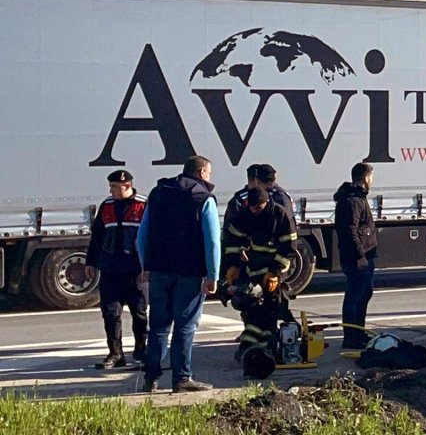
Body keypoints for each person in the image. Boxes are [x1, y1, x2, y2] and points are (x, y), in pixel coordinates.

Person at [136, 156, 220, 393]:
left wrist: (144, 265)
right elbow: (212, 240)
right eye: (209, 173)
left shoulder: (158, 193)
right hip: (190, 272)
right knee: (185, 326)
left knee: (158, 326)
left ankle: (151, 378)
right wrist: (213, 275)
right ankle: (182, 378)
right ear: (202, 172)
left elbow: (142, 233)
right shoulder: (203, 198)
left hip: (159, 270)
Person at [223, 187, 295, 364]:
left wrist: (274, 272)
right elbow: (232, 241)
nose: (255, 211)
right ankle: (258, 348)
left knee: (269, 310)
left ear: (266, 203)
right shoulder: (244, 215)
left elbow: (288, 247)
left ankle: (259, 348)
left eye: (258, 208)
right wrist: (232, 266)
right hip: (253, 269)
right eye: (252, 208)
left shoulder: (279, 215)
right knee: (253, 307)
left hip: (272, 271)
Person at [85, 169, 148, 369]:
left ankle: (141, 349)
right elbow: (97, 236)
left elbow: (153, 238)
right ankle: (115, 353)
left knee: (139, 312)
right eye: (110, 186)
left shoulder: (143, 205)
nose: (111, 190)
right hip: (111, 268)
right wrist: (91, 262)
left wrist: (149, 266)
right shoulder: (107, 206)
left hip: (135, 269)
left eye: (114, 187)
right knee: (110, 312)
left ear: (127, 185)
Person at [335, 162, 377, 350]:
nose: (372, 181)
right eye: (371, 177)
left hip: (364, 255)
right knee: (355, 295)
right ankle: (351, 336)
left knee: (364, 294)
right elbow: (350, 231)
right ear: (366, 178)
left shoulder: (358, 198)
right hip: (357, 258)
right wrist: (360, 255)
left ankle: (358, 332)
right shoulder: (352, 201)